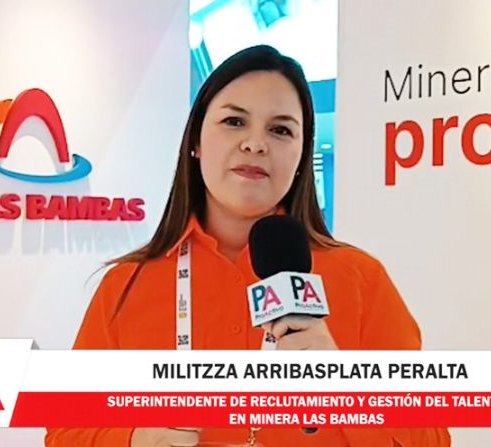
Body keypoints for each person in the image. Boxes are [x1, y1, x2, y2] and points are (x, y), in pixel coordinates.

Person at [45, 45, 451, 447]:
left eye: (281, 130)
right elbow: (64, 432)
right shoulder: (126, 285)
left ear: (301, 155)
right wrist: (135, 440)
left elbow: (432, 439)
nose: (256, 144)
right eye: (235, 121)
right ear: (196, 141)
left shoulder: (360, 280)